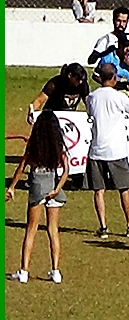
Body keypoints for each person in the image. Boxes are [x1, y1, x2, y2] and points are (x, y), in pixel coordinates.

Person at [6, 110, 69, 284]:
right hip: (53, 185)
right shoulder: (58, 144)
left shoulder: (35, 144)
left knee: (31, 229)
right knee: (53, 230)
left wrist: (12, 187)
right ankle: (56, 271)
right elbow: (66, 170)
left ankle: (24, 270)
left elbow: (22, 166)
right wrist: (57, 189)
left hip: (37, 185)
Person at [85, 63, 129, 239]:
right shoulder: (119, 97)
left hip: (96, 149)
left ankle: (103, 227)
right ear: (114, 77)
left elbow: (90, 114)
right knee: (124, 189)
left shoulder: (92, 97)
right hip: (116, 150)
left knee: (99, 190)